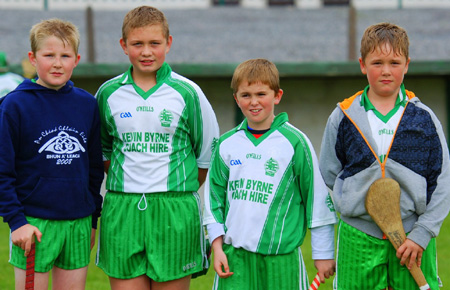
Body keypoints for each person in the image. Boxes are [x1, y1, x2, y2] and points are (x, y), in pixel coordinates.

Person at [95, 5, 219, 290]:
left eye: (155, 43)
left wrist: (172, 187)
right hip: (122, 208)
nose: (146, 52)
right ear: (124, 46)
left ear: (169, 43)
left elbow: (205, 157)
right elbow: (103, 151)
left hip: (174, 208)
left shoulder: (188, 92)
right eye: (137, 44)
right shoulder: (108, 93)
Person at [319, 22, 450, 290]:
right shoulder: (343, 117)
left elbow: (442, 181)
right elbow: (329, 173)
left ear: (407, 64)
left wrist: (421, 234)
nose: (387, 71)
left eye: (395, 62)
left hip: (412, 239)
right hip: (358, 235)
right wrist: (355, 203)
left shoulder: (424, 119)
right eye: (377, 62)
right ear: (362, 65)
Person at [203, 58, 338, 289]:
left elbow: (317, 200)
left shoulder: (296, 142)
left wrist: (323, 252)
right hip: (235, 259)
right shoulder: (226, 144)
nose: (253, 102)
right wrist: (217, 248)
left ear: (277, 95)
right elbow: (213, 201)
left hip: (282, 260)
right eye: (245, 95)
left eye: (261, 94)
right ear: (236, 99)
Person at [0, 18, 104, 289]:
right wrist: (17, 222)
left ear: (76, 59)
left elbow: (93, 168)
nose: (57, 63)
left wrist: (92, 218)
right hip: (33, 224)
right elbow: (2, 170)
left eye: (65, 56)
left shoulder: (87, 104)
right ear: (33, 58)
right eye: (49, 55)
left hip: (78, 222)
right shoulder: (14, 105)